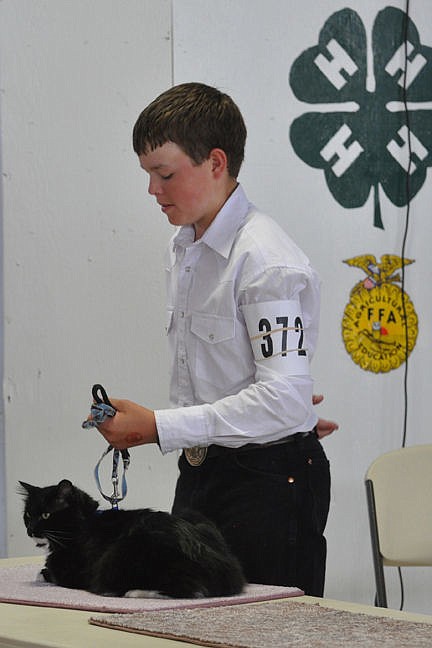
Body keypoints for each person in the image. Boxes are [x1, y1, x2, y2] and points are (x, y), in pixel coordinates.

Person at [86, 82, 338, 596]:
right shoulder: (183, 249)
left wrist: (159, 426)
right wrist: (283, 409)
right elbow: (270, 392)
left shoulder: (265, 260)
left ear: (216, 162)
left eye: (165, 174)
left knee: (264, 631)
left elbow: (283, 400)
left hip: (268, 486)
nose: (153, 192)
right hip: (204, 470)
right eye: (148, 176)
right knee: (187, 620)